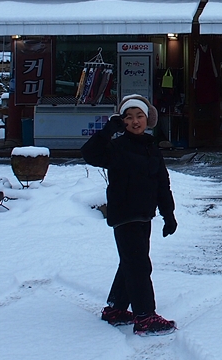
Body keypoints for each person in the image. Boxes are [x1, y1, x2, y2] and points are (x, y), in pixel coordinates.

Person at [81, 93, 178, 336]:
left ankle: (116, 308)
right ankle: (145, 315)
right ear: (122, 121)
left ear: (148, 119)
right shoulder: (116, 148)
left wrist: (168, 215)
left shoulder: (151, 148)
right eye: (129, 117)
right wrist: (107, 131)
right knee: (139, 265)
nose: (135, 121)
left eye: (139, 116)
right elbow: (89, 154)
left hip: (144, 214)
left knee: (131, 261)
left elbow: (162, 184)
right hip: (125, 215)